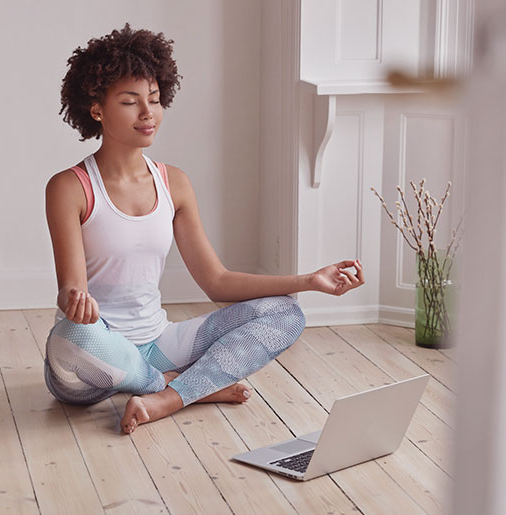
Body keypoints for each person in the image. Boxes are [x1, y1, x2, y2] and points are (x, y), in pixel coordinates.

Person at [44, 24, 365, 434]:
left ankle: (165, 397)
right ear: (96, 109)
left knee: (286, 312)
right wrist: (75, 300)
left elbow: (217, 281)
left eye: (155, 100)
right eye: (130, 102)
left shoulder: (173, 183)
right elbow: (70, 287)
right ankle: (192, 386)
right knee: (71, 336)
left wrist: (309, 280)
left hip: (157, 344)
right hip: (93, 354)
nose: (148, 114)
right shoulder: (69, 187)